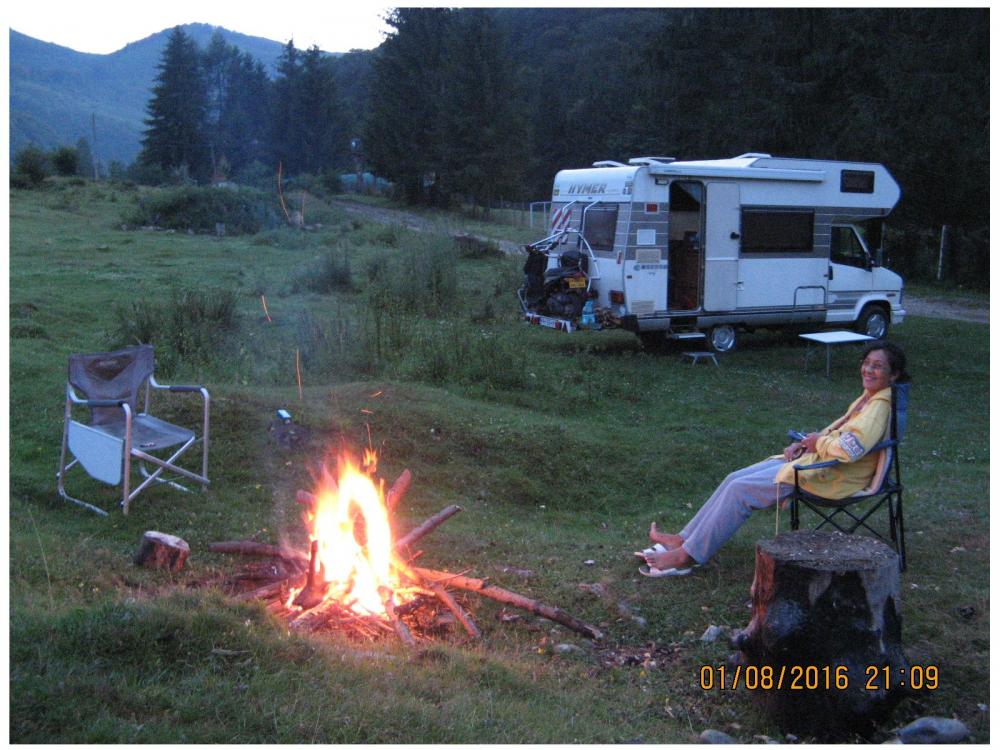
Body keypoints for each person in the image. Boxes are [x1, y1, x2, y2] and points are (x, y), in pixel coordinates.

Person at [640, 341, 910, 576]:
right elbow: (838, 436)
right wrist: (805, 444)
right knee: (734, 478)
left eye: (877, 366)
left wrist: (817, 443)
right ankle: (684, 539)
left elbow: (851, 449)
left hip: (835, 475)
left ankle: (686, 557)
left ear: (894, 374)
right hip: (820, 462)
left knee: (740, 490)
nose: (868, 370)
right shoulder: (870, 398)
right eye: (866, 363)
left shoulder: (879, 406)